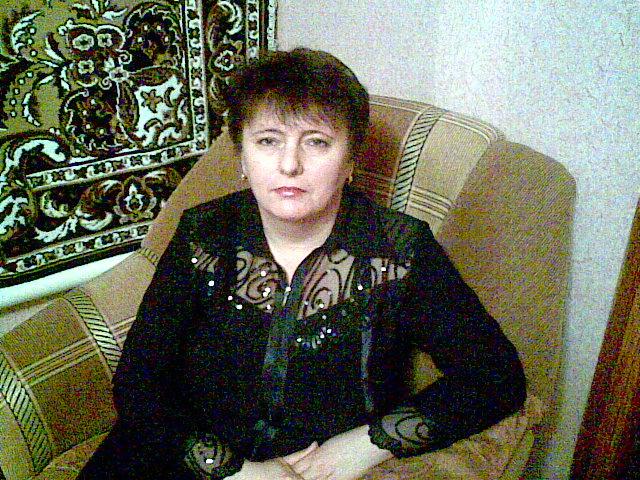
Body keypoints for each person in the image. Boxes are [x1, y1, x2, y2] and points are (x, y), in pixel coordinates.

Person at [78, 48, 526, 480]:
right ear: (242, 156)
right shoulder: (204, 234)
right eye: (268, 141)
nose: (290, 164)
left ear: (350, 161)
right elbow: (138, 379)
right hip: (188, 457)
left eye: (316, 142)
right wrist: (234, 472)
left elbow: (495, 376)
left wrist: (367, 444)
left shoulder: (400, 252)